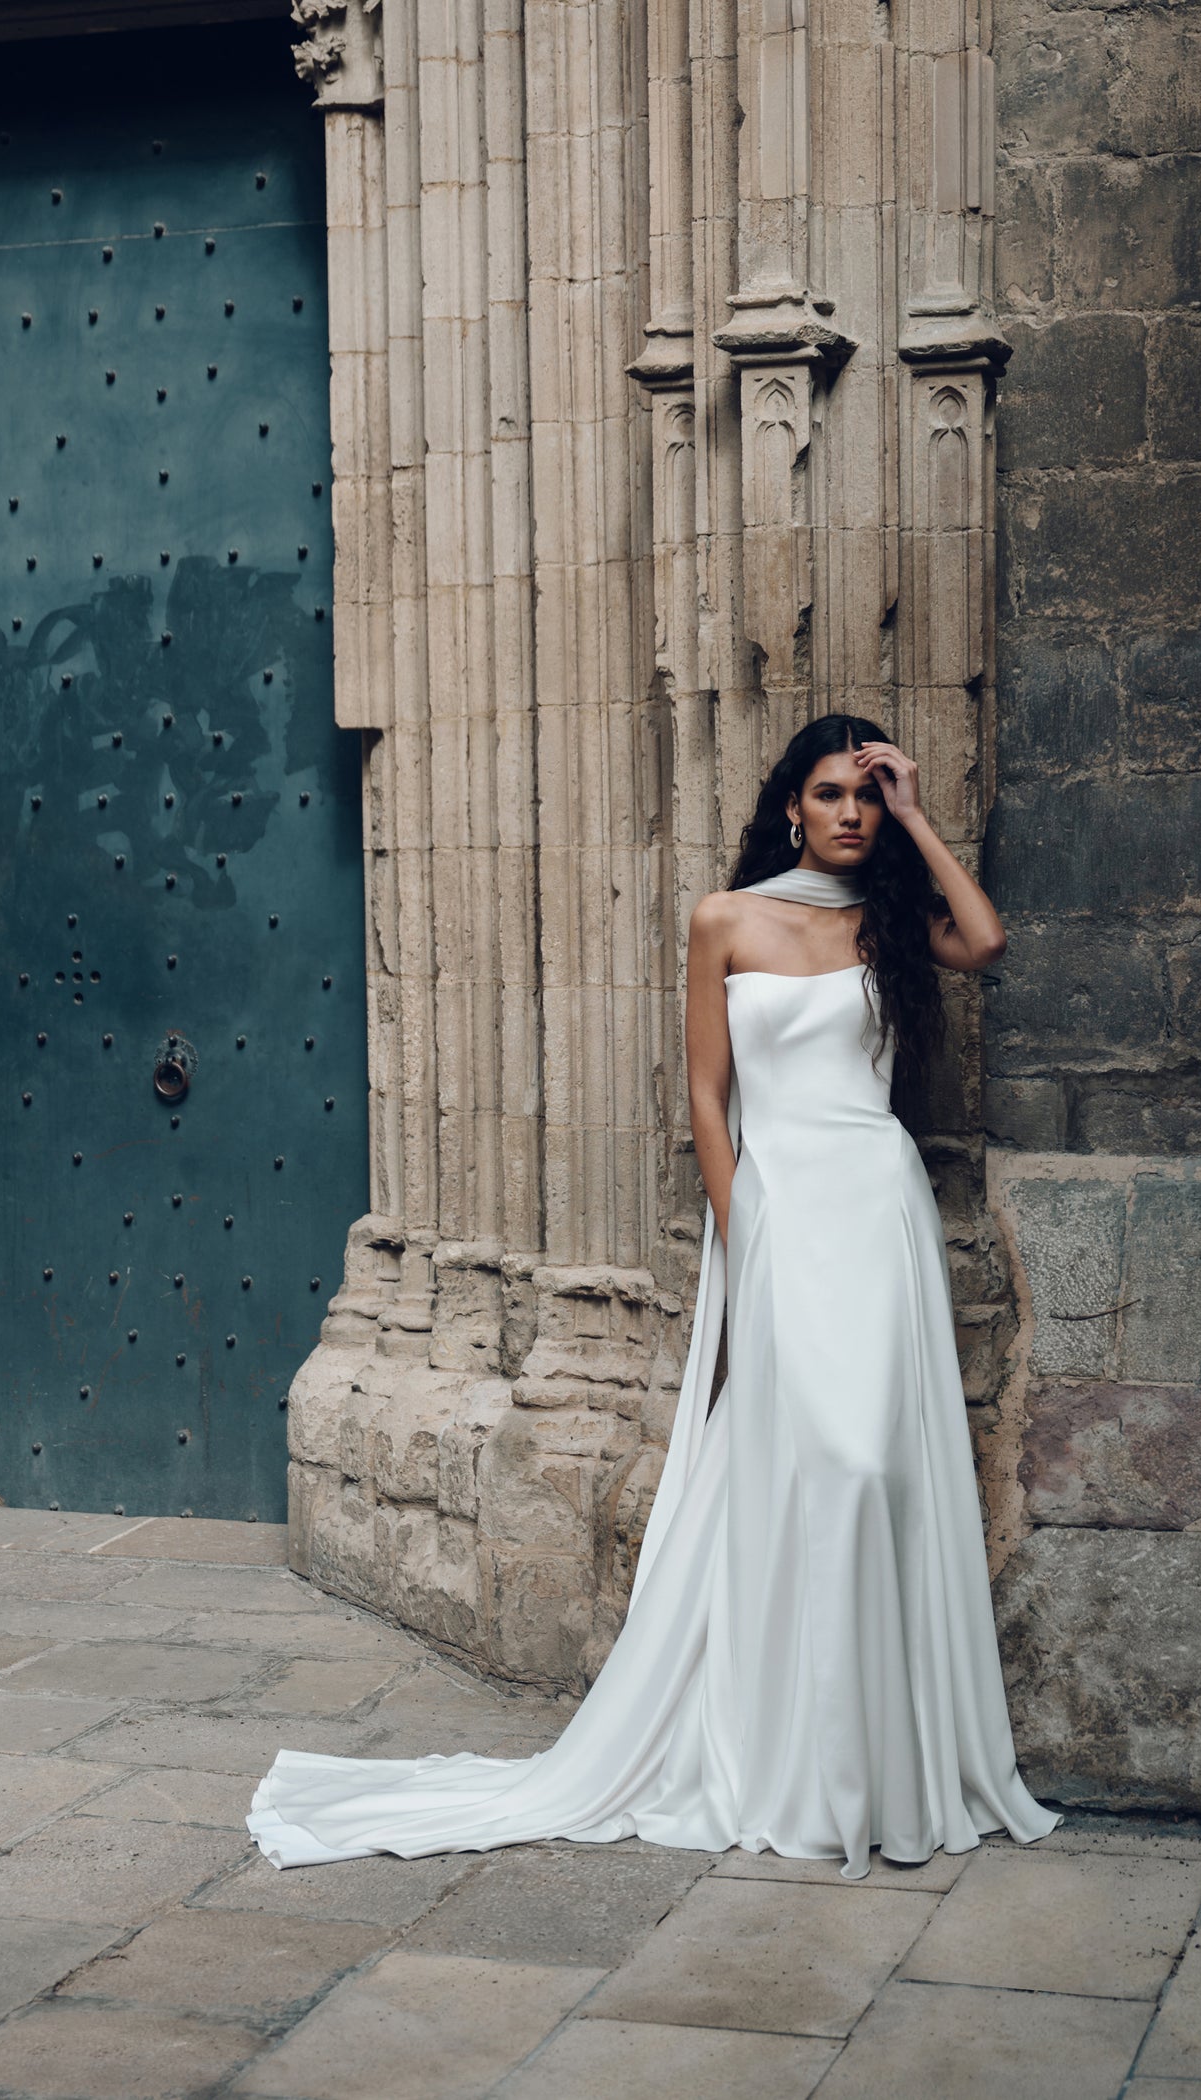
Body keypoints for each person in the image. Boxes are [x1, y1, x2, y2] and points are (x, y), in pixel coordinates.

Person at [248, 713, 1062, 1878]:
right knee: (815, 1464)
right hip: (780, 1214)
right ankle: (802, 1766)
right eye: (829, 792)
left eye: (865, 797)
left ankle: (879, 1773)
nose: (848, 812)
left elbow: (983, 942)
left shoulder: (886, 923)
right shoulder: (724, 919)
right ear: (791, 804)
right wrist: (746, 1240)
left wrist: (921, 817)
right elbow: (704, 1096)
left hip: (877, 1215)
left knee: (875, 1470)